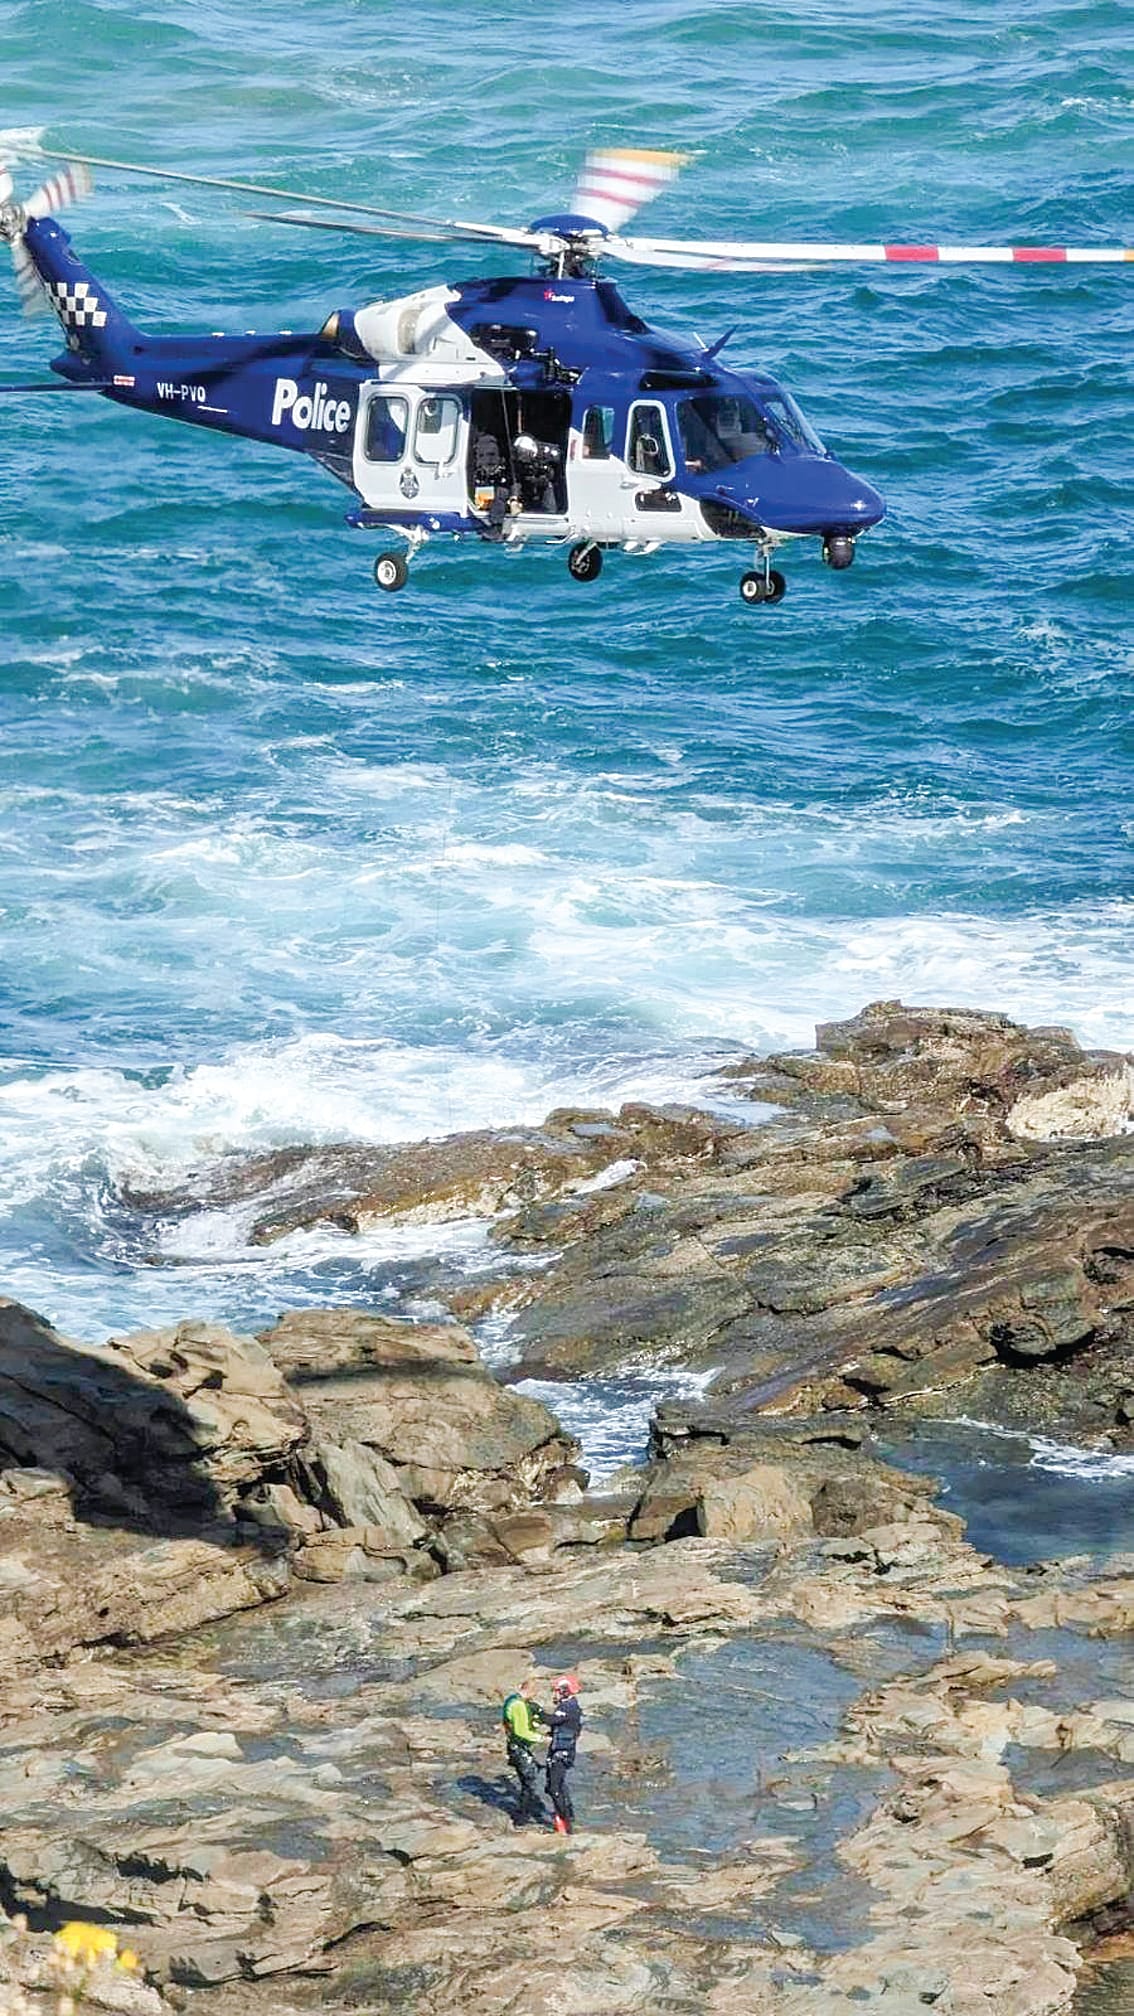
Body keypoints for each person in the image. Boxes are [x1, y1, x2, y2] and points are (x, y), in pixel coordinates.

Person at [501, 1677, 548, 1827]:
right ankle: (521, 1818)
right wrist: (543, 1739)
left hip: (513, 1745)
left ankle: (523, 1811)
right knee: (529, 1781)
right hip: (518, 1747)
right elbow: (521, 1731)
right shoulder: (519, 1706)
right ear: (530, 1691)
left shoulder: (511, 1699)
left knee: (528, 1778)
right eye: (535, 1693)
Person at [545, 1673, 582, 1835]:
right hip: (561, 1750)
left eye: (557, 1691)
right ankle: (568, 1816)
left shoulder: (568, 1707)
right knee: (559, 1784)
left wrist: (535, 1712)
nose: (555, 1694)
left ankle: (564, 1822)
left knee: (554, 1788)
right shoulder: (571, 1705)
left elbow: (552, 1720)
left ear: (565, 1691)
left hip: (562, 1752)